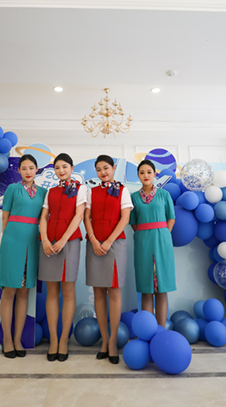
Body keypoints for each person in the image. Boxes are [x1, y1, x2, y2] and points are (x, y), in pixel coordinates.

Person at [83, 155, 132, 365]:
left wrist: (109, 241)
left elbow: (125, 218)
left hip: (115, 245)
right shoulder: (91, 191)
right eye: (99, 169)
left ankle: (112, 342)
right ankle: (104, 341)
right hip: (94, 244)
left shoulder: (123, 190)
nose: (103, 172)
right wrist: (94, 240)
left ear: (113, 168)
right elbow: (86, 217)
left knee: (114, 291)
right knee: (98, 293)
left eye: (106, 168)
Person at [38, 153, 87, 362]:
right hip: (49, 242)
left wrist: (63, 240)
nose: (61, 170)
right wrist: (45, 240)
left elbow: (79, 216)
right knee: (51, 292)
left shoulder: (81, 188)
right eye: (57, 167)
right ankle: (53, 341)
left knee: (68, 291)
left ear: (72, 168)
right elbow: (43, 217)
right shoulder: (51, 191)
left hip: (70, 241)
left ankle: (64, 340)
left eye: (64, 166)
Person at [0, 154, 47, 359]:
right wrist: (7, 238)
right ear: (19, 170)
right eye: (24, 168)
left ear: (37, 170)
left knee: (25, 292)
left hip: (32, 243)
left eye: (31, 168)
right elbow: (5, 216)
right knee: (10, 289)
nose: (28, 171)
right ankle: (7, 340)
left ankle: (18, 339)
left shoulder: (44, 192)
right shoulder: (12, 189)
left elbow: (44, 219)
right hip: (12, 241)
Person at [130, 159, 176, 326]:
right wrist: (144, 234)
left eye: (149, 172)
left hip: (162, 240)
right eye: (142, 172)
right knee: (146, 289)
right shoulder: (134, 197)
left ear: (154, 174)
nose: (146, 175)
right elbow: (133, 223)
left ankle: (161, 329)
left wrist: (163, 235)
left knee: (162, 290)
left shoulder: (164, 195)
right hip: (143, 242)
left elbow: (171, 218)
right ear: (138, 175)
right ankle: (148, 330)